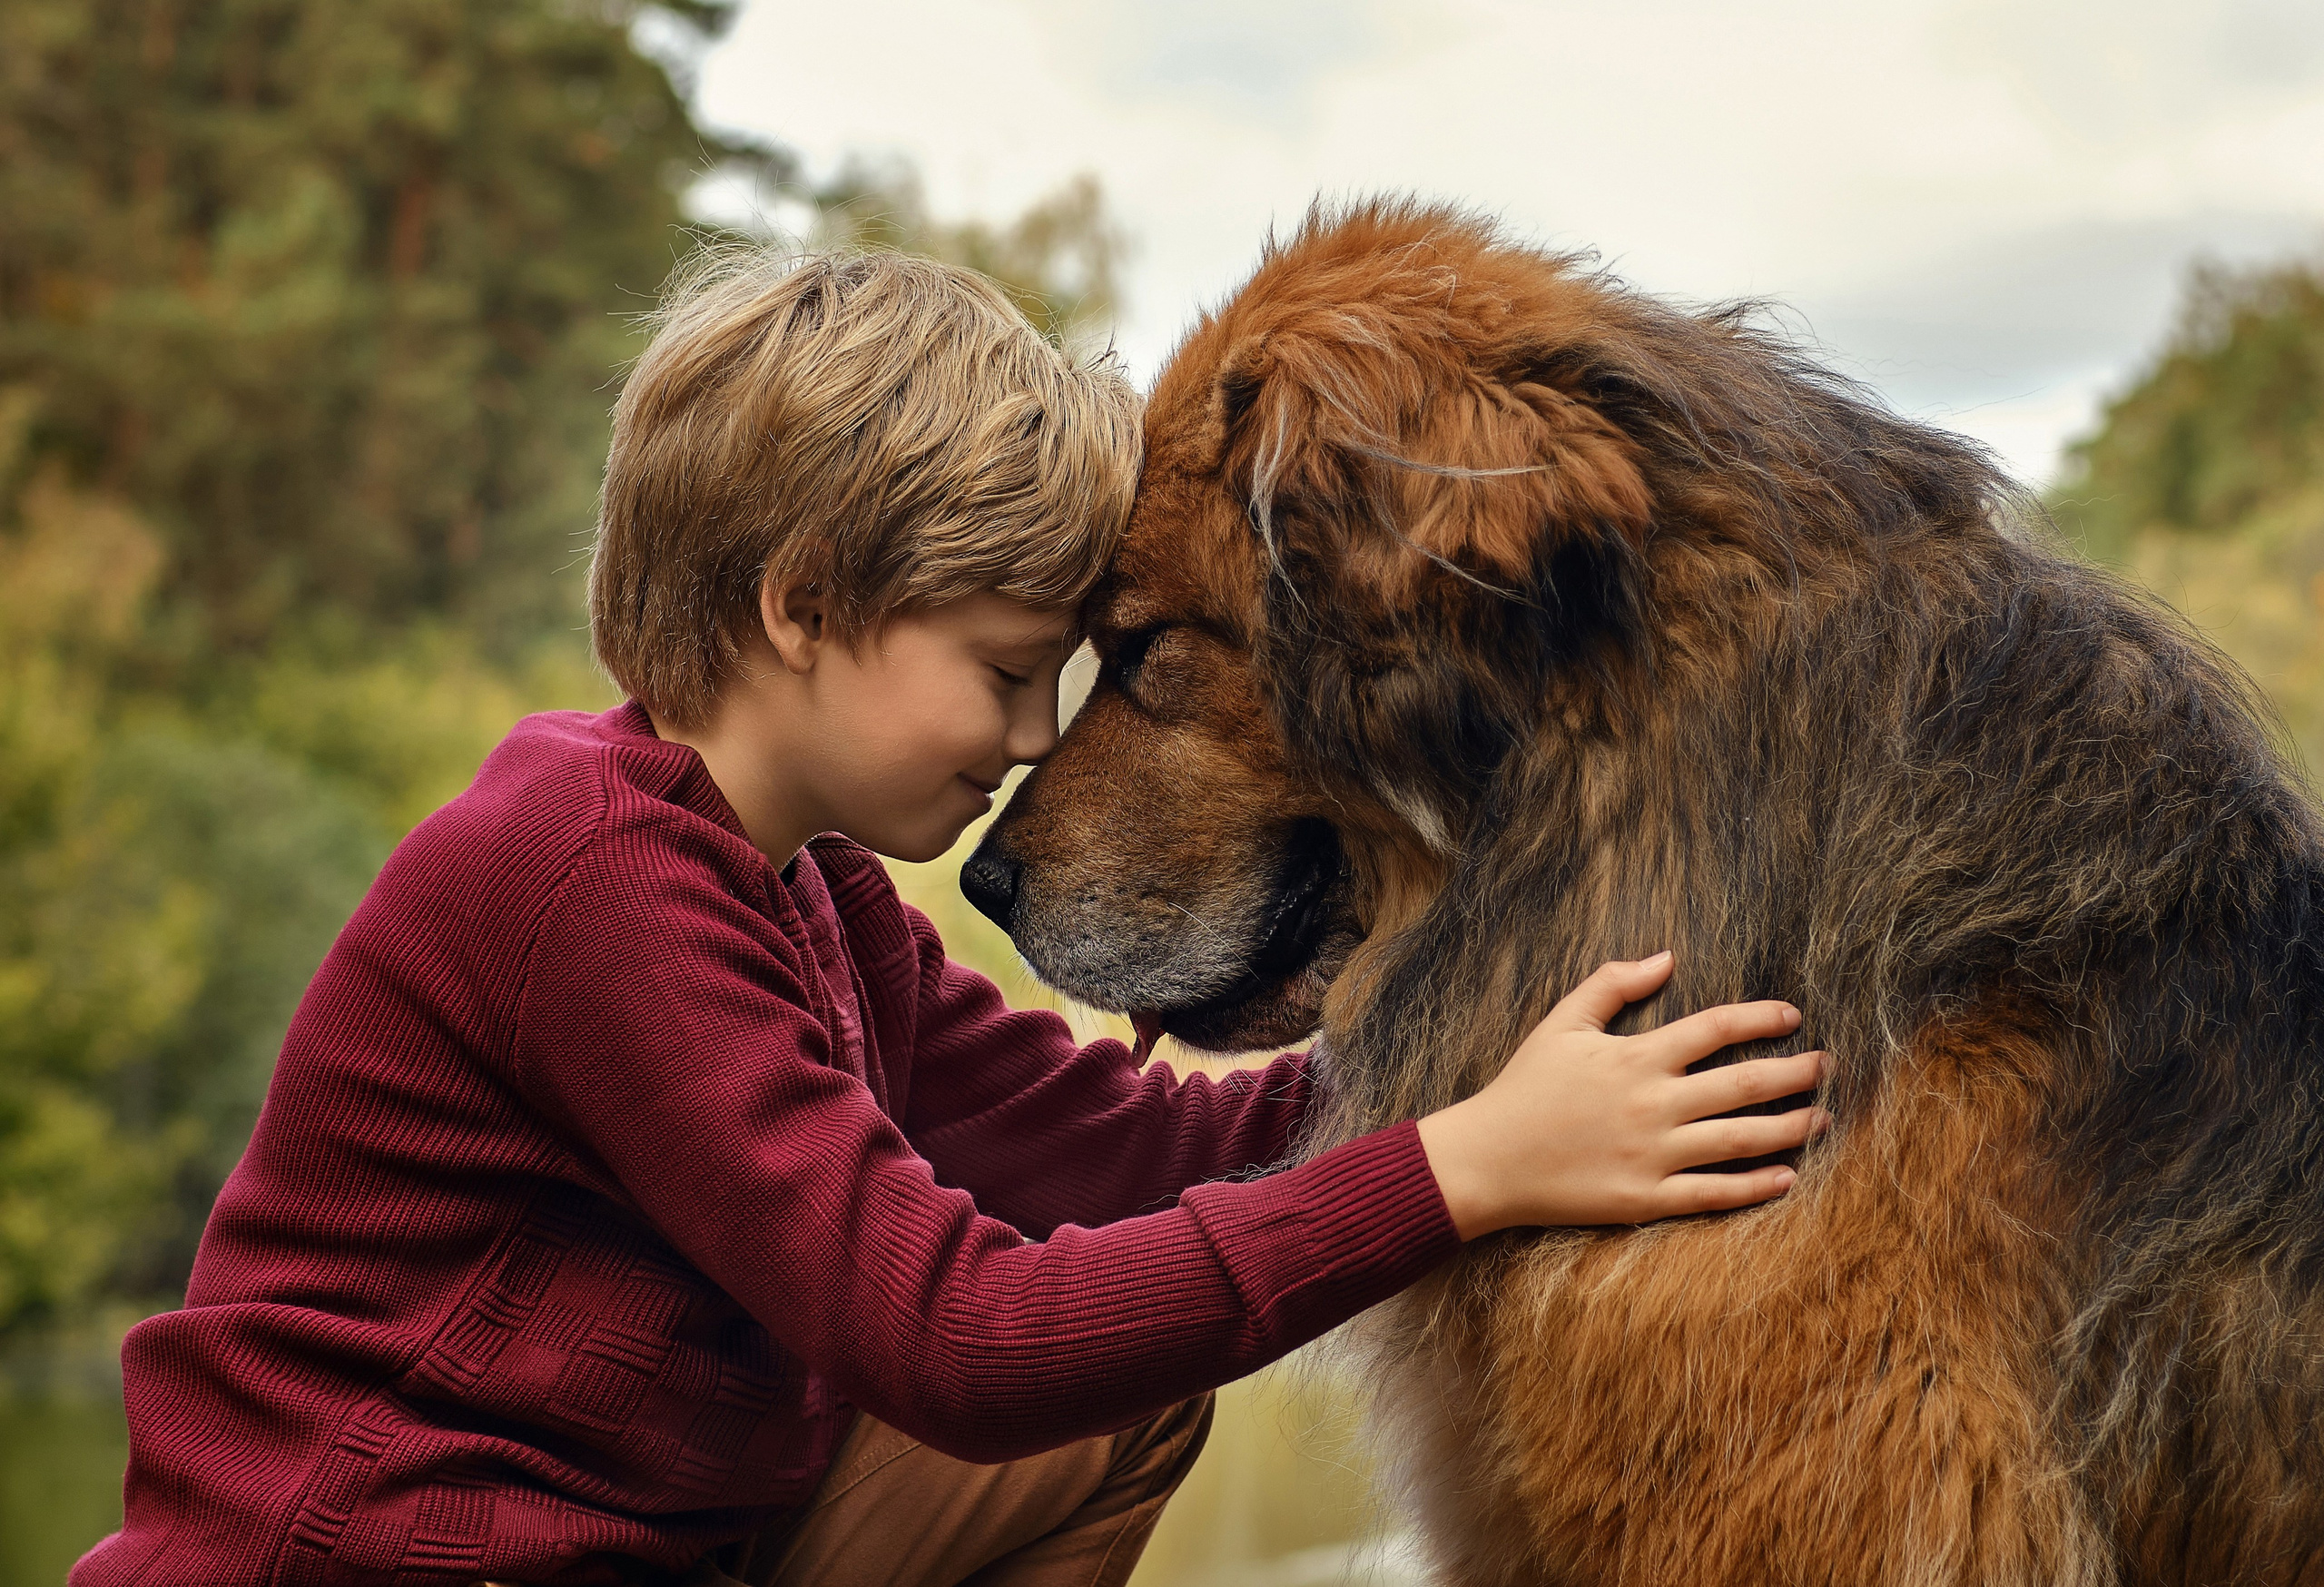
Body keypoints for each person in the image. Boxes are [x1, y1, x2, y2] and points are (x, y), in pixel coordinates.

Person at [74, 248, 1829, 1587]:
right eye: (1003, 671)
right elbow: (956, 1338)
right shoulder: (579, 876)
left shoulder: (815, 897)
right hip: (364, 1557)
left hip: (644, 1543)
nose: (1035, 740)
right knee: (1040, 1369)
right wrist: (1463, 1168)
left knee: (1123, 1388)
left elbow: (1136, 1150)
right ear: (803, 608)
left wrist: (1494, 1063)